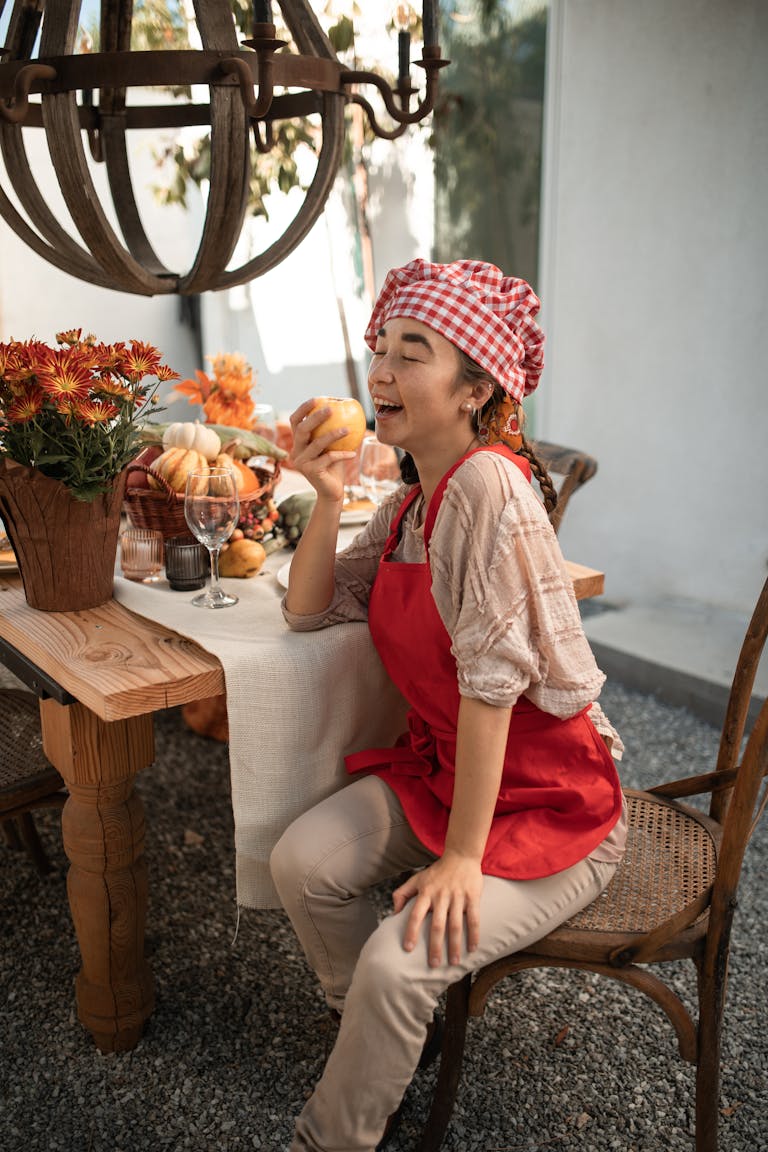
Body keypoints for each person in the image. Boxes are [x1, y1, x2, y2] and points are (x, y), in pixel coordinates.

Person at [270, 259, 626, 1152]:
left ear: (475, 391)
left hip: (551, 805)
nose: (380, 373)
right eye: (381, 350)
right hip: (453, 773)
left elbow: (493, 684)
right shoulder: (410, 502)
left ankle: (336, 1133)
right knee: (301, 862)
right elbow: (309, 608)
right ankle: (395, 1039)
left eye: (412, 353)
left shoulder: (489, 490)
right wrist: (326, 493)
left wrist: (463, 857)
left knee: (396, 961)